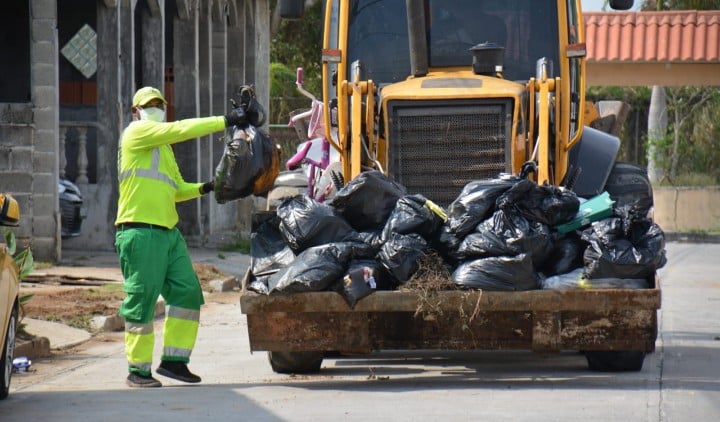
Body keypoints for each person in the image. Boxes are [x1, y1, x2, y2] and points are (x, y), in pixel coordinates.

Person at [114, 86, 256, 388]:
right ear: (135, 110)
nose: (155, 108)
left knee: (188, 293)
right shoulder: (135, 133)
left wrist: (207, 187)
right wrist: (227, 120)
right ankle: (137, 371)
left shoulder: (163, 149)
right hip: (139, 231)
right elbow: (181, 129)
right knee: (142, 302)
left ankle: (174, 362)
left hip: (168, 234)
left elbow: (176, 189)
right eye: (149, 104)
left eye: (159, 103)